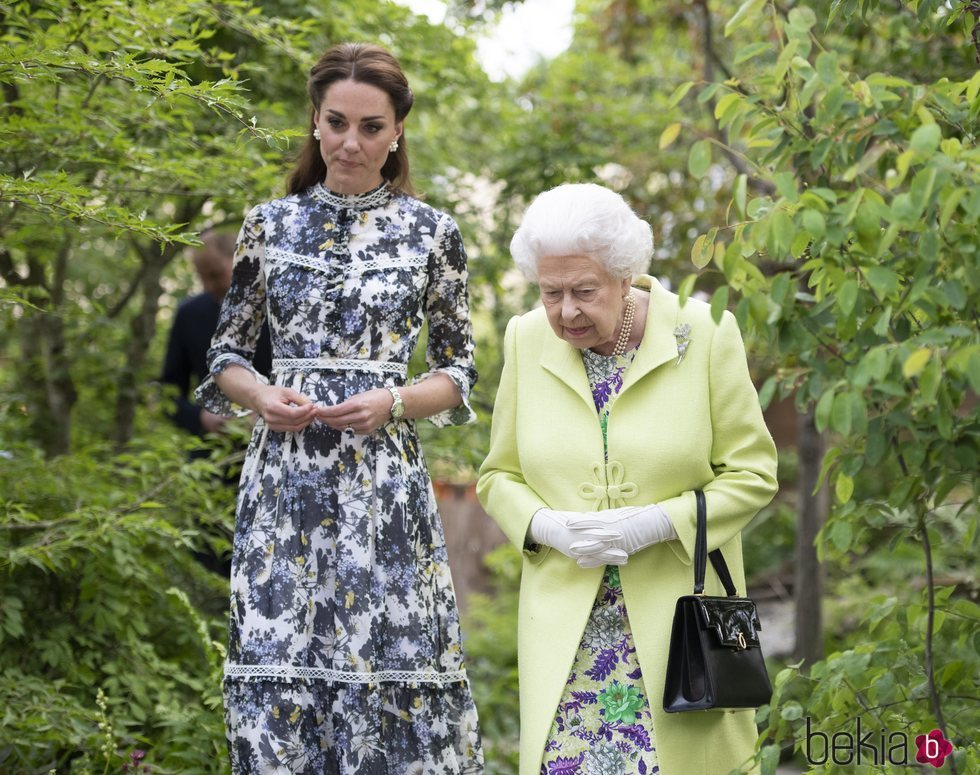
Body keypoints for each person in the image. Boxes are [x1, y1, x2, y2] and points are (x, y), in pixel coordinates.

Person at [194, 42, 484, 773]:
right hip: (285, 488)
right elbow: (225, 355)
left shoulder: (433, 234)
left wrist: (393, 400)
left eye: (372, 126)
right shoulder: (268, 226)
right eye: (337, 122)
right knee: (279, 666)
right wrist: (261, 393)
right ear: (314, 122)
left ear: (397, 132)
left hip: (384, 492)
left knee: (390, 668)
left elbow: (457, 372)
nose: (352, 142)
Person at [477, 183, 778, 775]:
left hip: (681, 629)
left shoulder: (706, 332)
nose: (565, 311)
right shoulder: (524, 337)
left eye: (584, 291)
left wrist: (657, 523)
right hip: (569, 631)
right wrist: (544, 525)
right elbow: (498, 475)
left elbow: (753, 472)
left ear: (626, 276)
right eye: (550, 292)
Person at [161, 228, 272, 438]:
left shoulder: (279, 309)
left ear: (241, 259)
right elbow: (168, 392)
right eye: (202, 277)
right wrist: (201, 417)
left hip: (276, 443)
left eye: (215, 274)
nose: (208, 286)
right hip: (211, 454)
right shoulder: (189, 315)